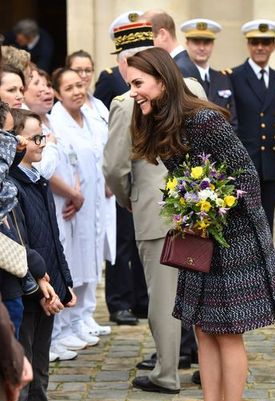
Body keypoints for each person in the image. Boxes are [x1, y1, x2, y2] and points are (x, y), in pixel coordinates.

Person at [126, 47, 275, 401]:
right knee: (202, 330)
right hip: (199, 239)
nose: (133, 93)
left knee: (226, 332)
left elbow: (247, 178)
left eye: (137, 84)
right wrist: (187, 209)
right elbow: (185, 180)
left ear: (162, 81)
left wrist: (205, 207)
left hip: (233, 239)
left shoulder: (204, 120)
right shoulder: (158, 122)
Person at [104, 23, 207, 393]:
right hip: (196, 207)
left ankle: (166, 373)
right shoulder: (192, 88)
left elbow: (115, 168)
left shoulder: (124, 104)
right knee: (197, 289)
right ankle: (205, 365)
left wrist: (129, 199)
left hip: (154, 211)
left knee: (163, 297)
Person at [9, 109, 76, 401]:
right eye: (36, 138)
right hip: (29, 290)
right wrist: (40, 289)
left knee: (41, 365)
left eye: (43, 137)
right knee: (25, 364)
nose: (42, 144)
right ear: (16, 142)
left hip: (50, 288)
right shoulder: (12, 185)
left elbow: (53, 238)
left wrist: (63, 283)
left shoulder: (38, 181)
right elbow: (21, 245)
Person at [137, 9, 201, 371]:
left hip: (187, 207)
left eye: (137, 84)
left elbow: (207, 160)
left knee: (178, 285)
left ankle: (182, 351)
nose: (132, 92)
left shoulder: (184, 79)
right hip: (182, 203)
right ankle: (186, 349)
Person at [49, 67, 112, 347]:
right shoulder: (57, 123)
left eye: (79, 85)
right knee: (72, 259)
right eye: (69, 88)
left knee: (91, 255)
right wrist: (72, 193)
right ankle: (68, 320)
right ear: (57, 94)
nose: (77, 91)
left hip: (94, 199)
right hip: (70, 202)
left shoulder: (90, 116)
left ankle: (84, 315)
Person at [95, 11, 148, 326]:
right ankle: (119, 302)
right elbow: (104, 127)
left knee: (143, 238)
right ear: (123, 57)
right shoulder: (110, 79)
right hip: (120, 170)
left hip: (144, 169)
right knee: (122, 241)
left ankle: (142, 299)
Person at [229, 19, 275, 234]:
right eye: (255, 42)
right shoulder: (234, 76)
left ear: (273, 46)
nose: (260, 47)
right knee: (244, 225)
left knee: (267, 224)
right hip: (245, 162)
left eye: (266, 42)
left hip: (271, 163)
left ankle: (267, 268)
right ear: (248, 45)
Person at [180, 18, 237, 129]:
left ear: (213, 45)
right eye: (196, 42)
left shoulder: (223, 78)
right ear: (187, 43)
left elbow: (233, 121)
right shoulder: (181, 77)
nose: (202, 48)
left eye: (207, 42)